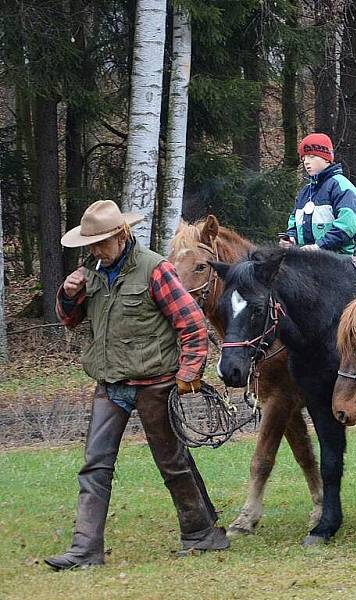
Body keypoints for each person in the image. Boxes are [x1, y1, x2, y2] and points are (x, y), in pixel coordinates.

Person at [44, 200, 228, 571]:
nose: (94, 250)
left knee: (172, 463)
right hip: (109, 382)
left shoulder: (155, 269)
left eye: (100, 242)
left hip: (155, 384)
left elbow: (191, 324)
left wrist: (190, 372)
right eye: (90, 244)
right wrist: (67, 292)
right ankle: (85, 550)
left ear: (121, 235)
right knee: (95, 465)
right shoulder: (91, 272)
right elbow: (71, 319)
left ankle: (200, 534)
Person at [280, 132, 356, 254]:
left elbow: (348, 225)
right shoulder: (305, 192)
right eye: (303, 158)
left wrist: (319, 246)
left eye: (311, 156)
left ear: (326, 158)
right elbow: (293, 221)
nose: (306, 162)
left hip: (343, 260)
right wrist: (291, 238)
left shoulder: (341, 186)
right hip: (310, 259)